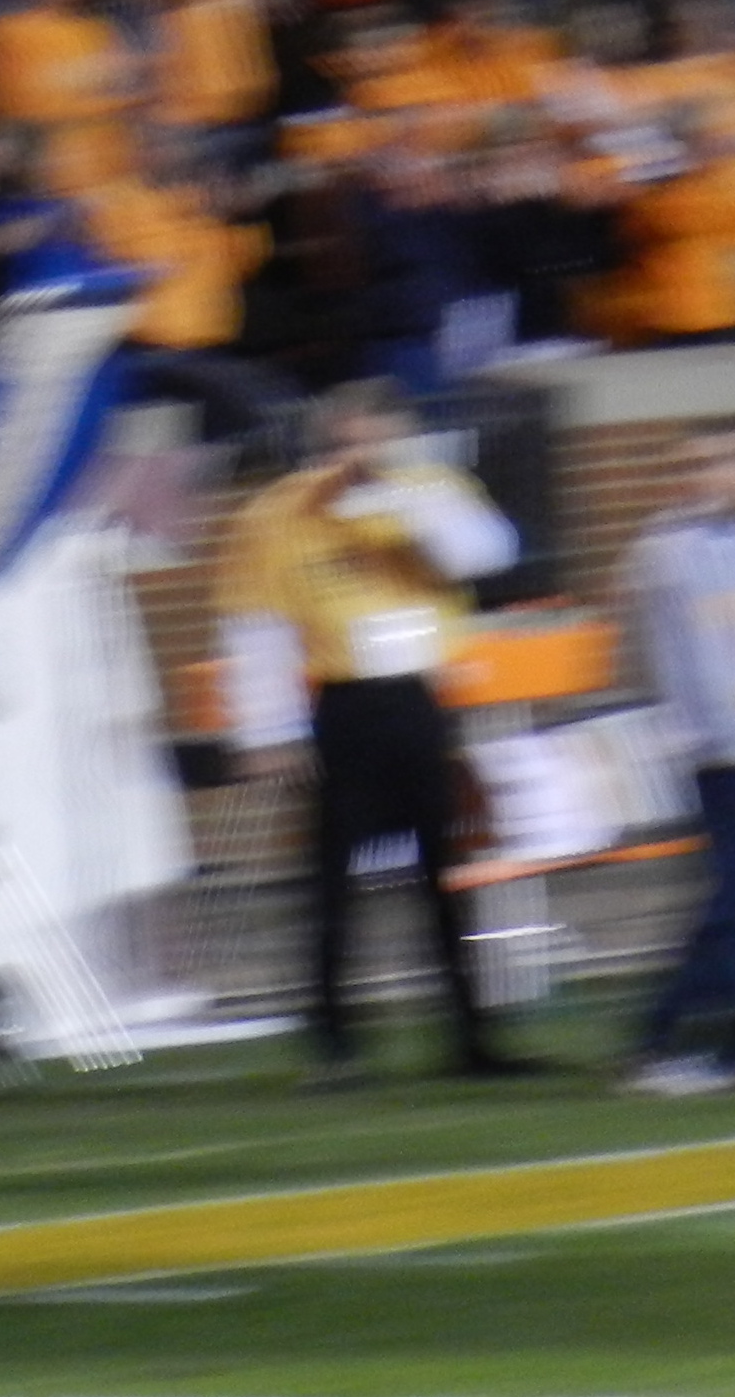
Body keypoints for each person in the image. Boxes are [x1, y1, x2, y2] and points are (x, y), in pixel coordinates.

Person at [214, 377, 531, 1083]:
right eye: (345, 442)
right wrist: (269, 730)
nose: (358, 456)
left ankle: (471, 1037)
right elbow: (256, 626)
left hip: (420, 698)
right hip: (343, 703)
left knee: (445, 873)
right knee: (332, 881)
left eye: (371, 440)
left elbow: (487, 554)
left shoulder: (432, 489)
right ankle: (334, 1046)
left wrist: (404, 502)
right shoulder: (279, 512)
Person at [620, 423, 735, 1094]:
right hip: (724, 750)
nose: (718, 475)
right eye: (705, 463)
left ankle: (729, 1043)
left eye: (733, 461)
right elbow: (676, 656)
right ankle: (665, 1040)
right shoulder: (672, 548)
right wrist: (699, 733)